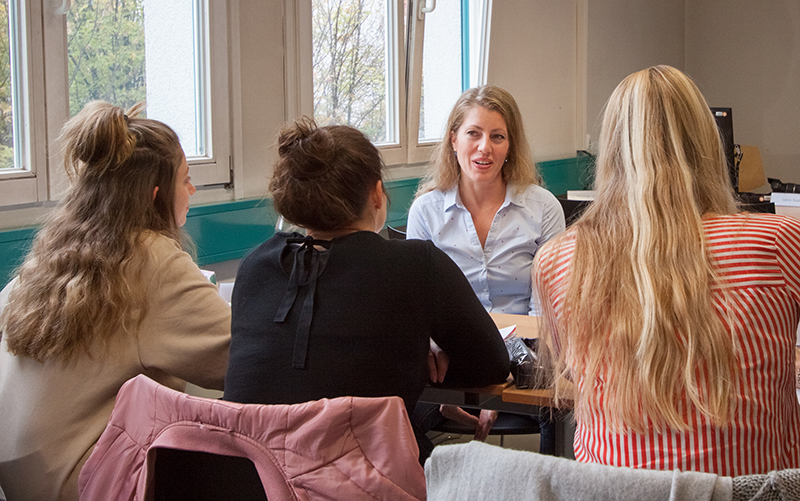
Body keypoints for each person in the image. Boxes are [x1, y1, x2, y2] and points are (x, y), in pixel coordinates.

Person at [534, 65, 800, 476]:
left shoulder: (555, 261)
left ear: (612, 151)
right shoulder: (781, 242)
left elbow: (573, 373)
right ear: (709, 144)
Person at [0, 101, 231, 501]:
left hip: (15, 492)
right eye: (186, 179)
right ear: (155, 195)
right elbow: (240, 361)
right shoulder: (151, 258)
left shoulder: (51, 253)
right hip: (77, 500)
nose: (194, 189)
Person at [223, 118, 510, 460]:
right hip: (366, 494)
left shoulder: (256, 265)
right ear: (377, 194)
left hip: (253, 488)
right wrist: (415, 354)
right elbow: (492, 364)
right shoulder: (416, 265)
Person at [406, 85, 565, 445]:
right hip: (451, 359)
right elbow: (417, 303)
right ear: (453, 140)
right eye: (473, 134)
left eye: (497, 137)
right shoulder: (426, 210)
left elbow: (549, 303)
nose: (484, 148)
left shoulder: (543, 208)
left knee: (553, 419)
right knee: (402, 422)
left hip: (528, 358)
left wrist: (500, 378)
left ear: (511, 146)